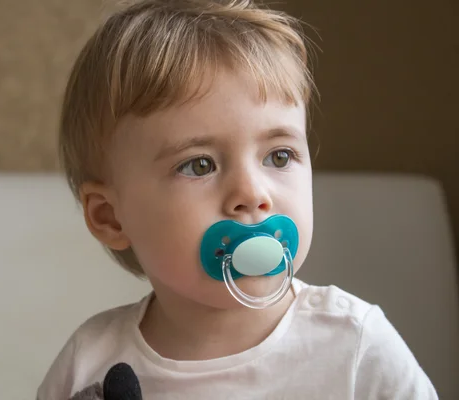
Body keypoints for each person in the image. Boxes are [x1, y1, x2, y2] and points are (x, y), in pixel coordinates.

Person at [37, 0, 437, 398]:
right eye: (199, 165)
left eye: (279, 156)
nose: (252, 193)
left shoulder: (355, 344)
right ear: (111, 217)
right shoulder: (90, 362)